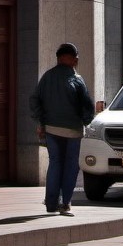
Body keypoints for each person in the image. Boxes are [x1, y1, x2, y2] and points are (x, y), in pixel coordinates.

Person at [30, 43, 95, 214]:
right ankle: (65, 202)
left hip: (51, 128)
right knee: (71, 166)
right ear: (74, 59)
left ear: (58, 59)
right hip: (72, 130)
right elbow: (87, 106)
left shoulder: (47, 77)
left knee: (55, 163)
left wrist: (41, 122)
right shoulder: (77, 79)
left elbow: (35, 99)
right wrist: (86, 122)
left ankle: (51, 203)